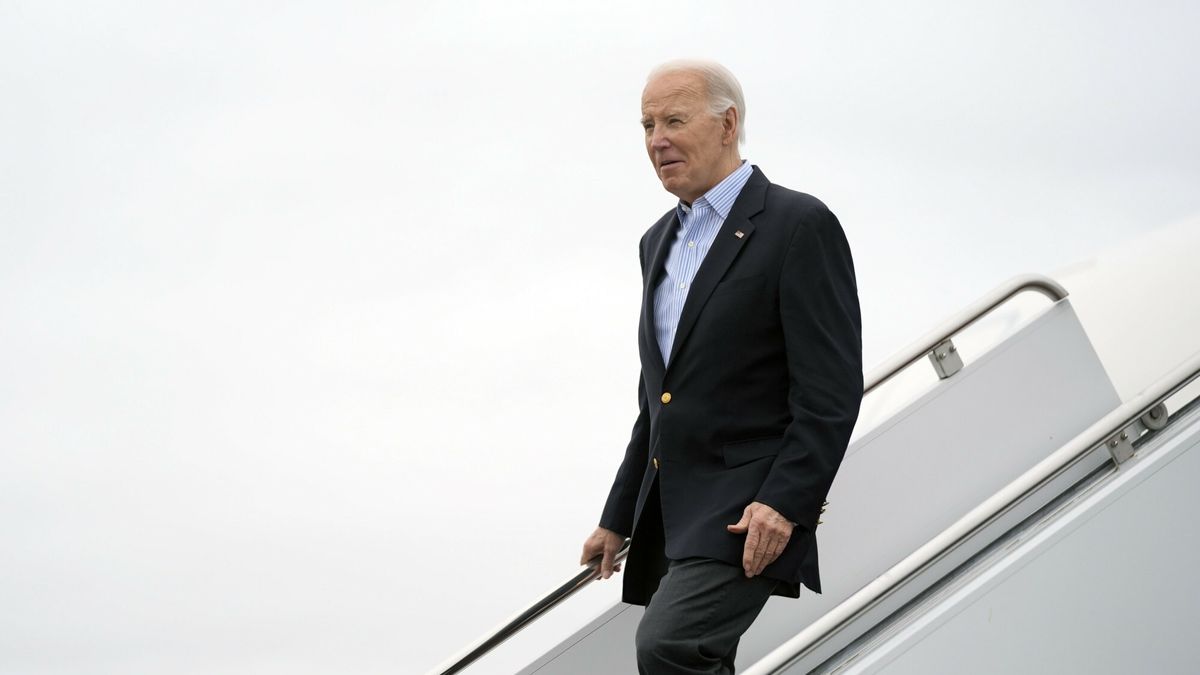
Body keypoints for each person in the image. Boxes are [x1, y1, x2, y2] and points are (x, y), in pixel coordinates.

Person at [578, 59, 863, 674]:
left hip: (748, 507)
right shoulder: (655, 242)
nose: (657, 140)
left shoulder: (797, 224)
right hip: (674, 509)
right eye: (648, 125)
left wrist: (785, 503)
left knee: (671, 646)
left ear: (728, 124)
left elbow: (831, 390)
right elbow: (658, 400)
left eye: (675, 121)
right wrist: (618, 515)